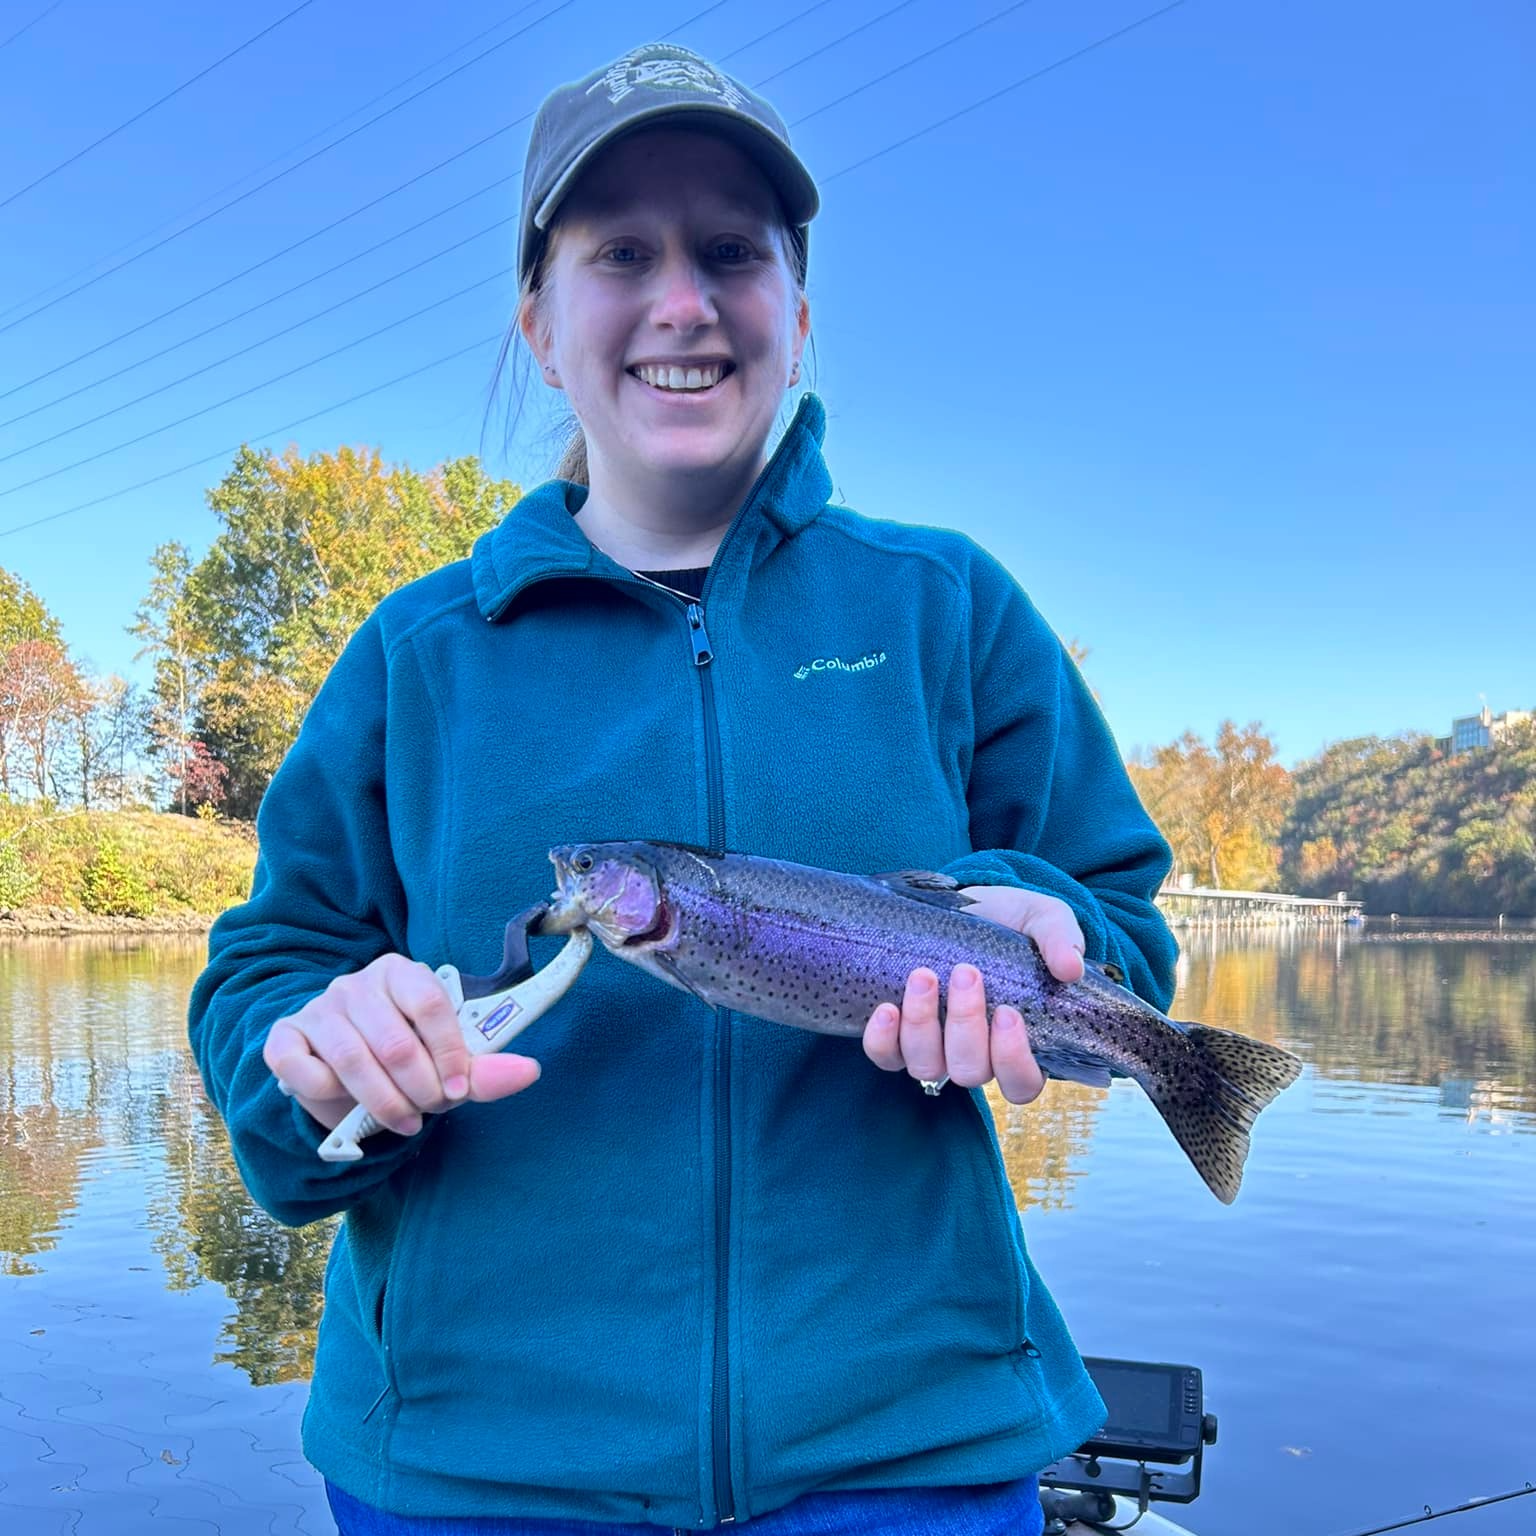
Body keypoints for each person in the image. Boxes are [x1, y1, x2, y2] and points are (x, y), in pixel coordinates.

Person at [189, 40, 1177, 1536]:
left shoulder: (948, 606)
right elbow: (267, 972)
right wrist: (310, 1063)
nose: (682, 301)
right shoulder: (417, 657)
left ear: (798, 311)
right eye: (620, 254)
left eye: (731, 251)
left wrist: (1034, 927)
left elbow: (1122, 921)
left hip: (911, 1451)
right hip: (475, 1475)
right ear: (538, 323)